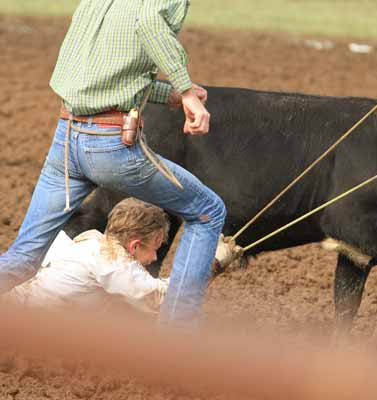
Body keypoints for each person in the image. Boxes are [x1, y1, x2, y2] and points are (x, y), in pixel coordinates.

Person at [0, 0, 239, 327]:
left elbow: (100, 73)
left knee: (24, 257)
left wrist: (166, 94)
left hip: (66, 139)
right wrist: (185, 91)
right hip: (108, 144)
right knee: (208, 211)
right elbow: (149, 24)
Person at [3, 198, 171, 314]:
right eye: (154, 249)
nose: (155, 257)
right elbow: (155, 297)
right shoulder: (111, 259)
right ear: (134, 245)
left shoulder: (91, 240)